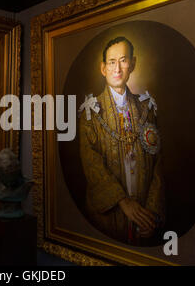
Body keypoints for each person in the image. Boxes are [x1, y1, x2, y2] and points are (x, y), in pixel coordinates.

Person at [79, 36, 165, 245]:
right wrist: (123, 202)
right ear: (103, 68)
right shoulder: (90, 113)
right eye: (112, 62)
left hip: (145, 215)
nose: (117, 68)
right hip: (109, 218)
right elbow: (92, 167)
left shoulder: (147, 110)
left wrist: (151, 214)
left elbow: (158, 165)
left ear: (133, 64)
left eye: (124, 60)